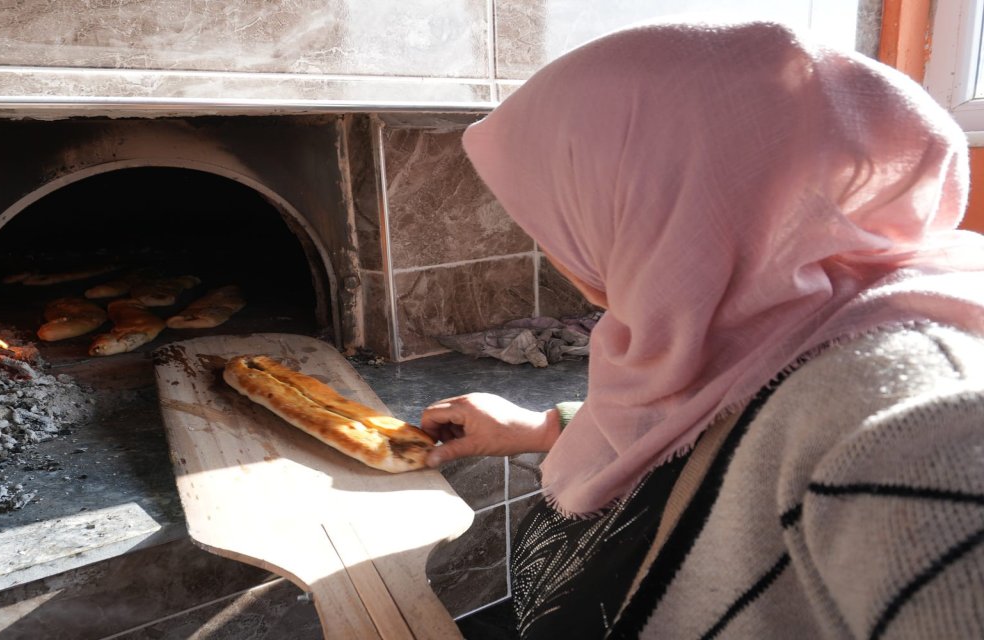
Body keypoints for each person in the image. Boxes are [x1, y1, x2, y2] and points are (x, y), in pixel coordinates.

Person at [419, 20, 984, 639]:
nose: (555, 246)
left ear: (660, 203)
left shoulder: (919, 415)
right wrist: (542, 426)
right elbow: (727, 419)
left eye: (566, 212)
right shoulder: (781, 314)